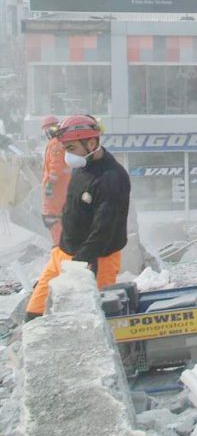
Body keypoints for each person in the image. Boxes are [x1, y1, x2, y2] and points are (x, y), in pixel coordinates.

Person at [26, 116, 131, 320]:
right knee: (34, 314)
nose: (67, 154)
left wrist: (79, 263)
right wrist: (60, 246)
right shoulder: (82, 167)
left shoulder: (111, 178)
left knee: (92, 321)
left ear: (91, 143)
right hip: (63, 254)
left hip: (94, 261)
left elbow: (104, 230)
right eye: (66, 148)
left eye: (71, 148)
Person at [39, 114, 71, 246]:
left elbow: (55, 167)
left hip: (57, 190)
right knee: (55, 218)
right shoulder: (58, 143)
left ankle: (59, 247)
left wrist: (50, 185)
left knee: (53, 218)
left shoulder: (56, 144)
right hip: (60, 189)